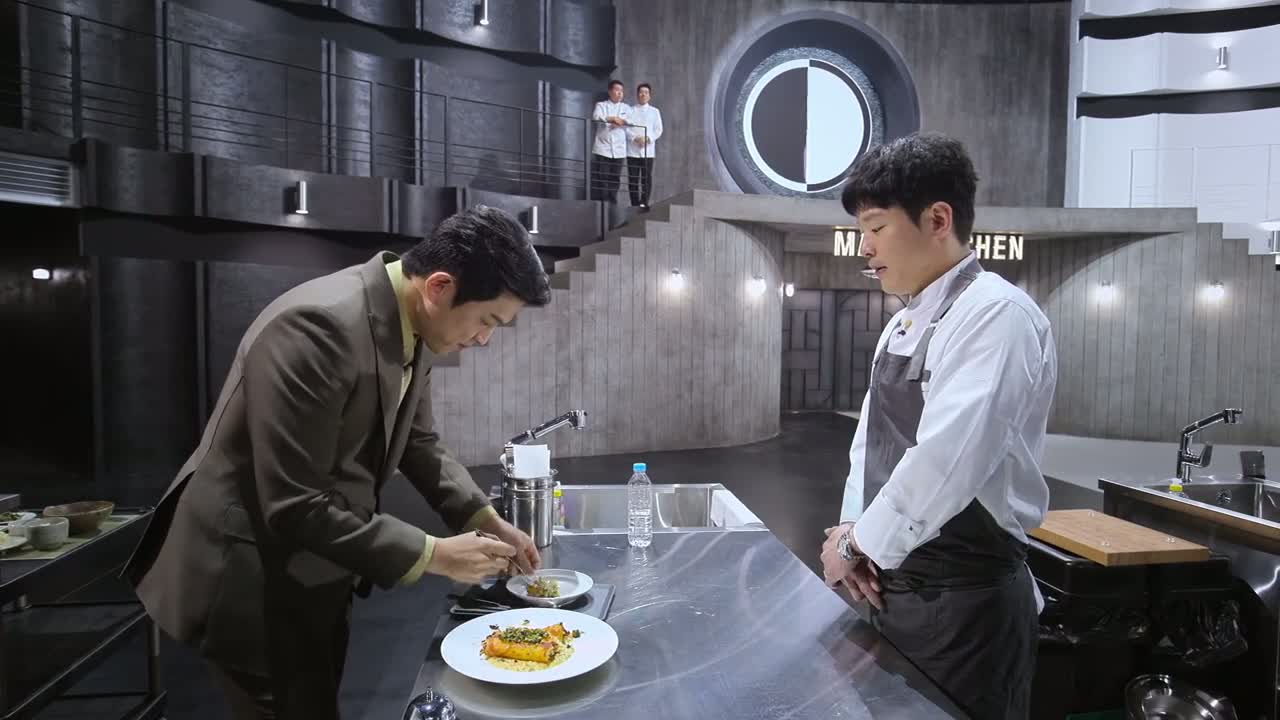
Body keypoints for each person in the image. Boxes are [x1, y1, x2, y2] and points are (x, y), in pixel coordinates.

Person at [124, 206, 551, 720]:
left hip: (319, 561)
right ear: (439, 286)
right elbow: (294, 503)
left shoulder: (414, 322)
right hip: (252, 574)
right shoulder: (317, 326)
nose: (484, 339)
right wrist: (434, 554)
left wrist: (482, 518)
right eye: (487, 321)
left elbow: (418, 441)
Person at [819, 133, 1057, 720]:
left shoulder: (996, 315)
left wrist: (855, 545)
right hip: (893, 586)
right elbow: (870, 441)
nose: (864, 247)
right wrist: (853, 528)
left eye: (876, 227)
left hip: (967, 604)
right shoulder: (901, 324)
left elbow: (947, 460)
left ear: (938, 219)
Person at [590, 79, 629, 203]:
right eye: (617, 90)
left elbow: (631, 120)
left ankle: (612, 203)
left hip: (619, 149)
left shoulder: (626, 107)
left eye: (621, 90)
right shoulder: (601, 105)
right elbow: (596, 117)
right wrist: (611, 118)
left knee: (615, 178)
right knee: (603, 177)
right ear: (610, 91)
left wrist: (620, 121)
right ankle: (603, 202)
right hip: (603, 148)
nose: (620, 93)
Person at [626, 82, 663, 210]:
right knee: (633, 179)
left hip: (648, 150)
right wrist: (635, 138)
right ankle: (634, 204)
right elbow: (626, 128)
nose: (643, 94)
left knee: (646, 178)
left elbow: (658, 130)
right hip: (632, 150)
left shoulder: (655, 111)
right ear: (637, 94)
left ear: (649, 96)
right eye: (641, 92)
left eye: (646, 92)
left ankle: (644, 202)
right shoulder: (630, 110)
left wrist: (647, 138)